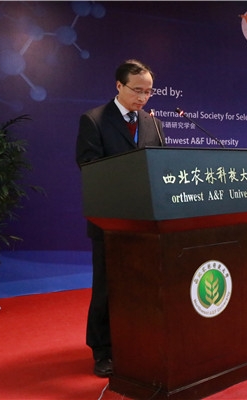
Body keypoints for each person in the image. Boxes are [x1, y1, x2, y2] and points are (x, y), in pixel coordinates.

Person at [75, 59, 165, 377]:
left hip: (146, 222)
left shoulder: (153, 123)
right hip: (110, 222)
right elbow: (89, 167)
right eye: (137, 90)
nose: (143, 97)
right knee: (107, 287)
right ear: (119, 86)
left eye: (148, 92)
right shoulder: (95, 120)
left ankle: (137, 340)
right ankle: (102, 351)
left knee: (143, 286)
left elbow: (161, 166)